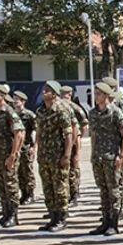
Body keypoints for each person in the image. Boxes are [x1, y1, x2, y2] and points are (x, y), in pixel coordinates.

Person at [87, 81, 123, 236]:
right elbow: (93, 134)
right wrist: (93, 154)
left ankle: (114, 223)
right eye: (95, 93)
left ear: (106, 95)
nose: (96, 96)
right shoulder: (93, 113)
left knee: (113, 191)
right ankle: (105, 221)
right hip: (98, 157)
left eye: (99, 94)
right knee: (103, 190)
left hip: (112, 157)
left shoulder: (116, 113)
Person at [35, 80, 75, 232]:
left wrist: (67, 155)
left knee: (60, 187)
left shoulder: (61, 110)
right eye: (44, 90)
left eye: (47, 90)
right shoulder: (41, 111)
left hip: (58, 156)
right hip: (44, 156)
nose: (44, 92)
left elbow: (68, 134)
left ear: (55, 94)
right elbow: (39, 132)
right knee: (48, 187)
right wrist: (36, 147)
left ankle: (62, 218)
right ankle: (53, 217)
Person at [0, 84, 25, 229]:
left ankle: (13, 215)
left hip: (8, 155)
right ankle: (5, 213)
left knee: (10, 185)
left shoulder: (9, 112)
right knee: (1, 185)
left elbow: (19, 134)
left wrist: (13, 155)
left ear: (2, 96)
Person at [60, 86, 89, 206]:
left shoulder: (75, 107)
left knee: (73, 165)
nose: (63, 96)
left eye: (65, 94)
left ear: (70, 94)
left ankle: (74, 192)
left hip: (73, 139)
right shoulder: (59, 106)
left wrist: (78, 137)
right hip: (61, 140)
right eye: (61, 93)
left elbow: (84, 123)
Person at [13, 90, 37, 204]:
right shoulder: (12, 114)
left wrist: (34, 146)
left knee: (27, 171)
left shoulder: (29, 115)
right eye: (14, 99)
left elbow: (37, 131)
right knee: (18, 172)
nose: (15, 101)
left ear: (23, 101)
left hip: (26, 146)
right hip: (16, 147)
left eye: (17, 99)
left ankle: (30, 194)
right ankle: (24, 193)